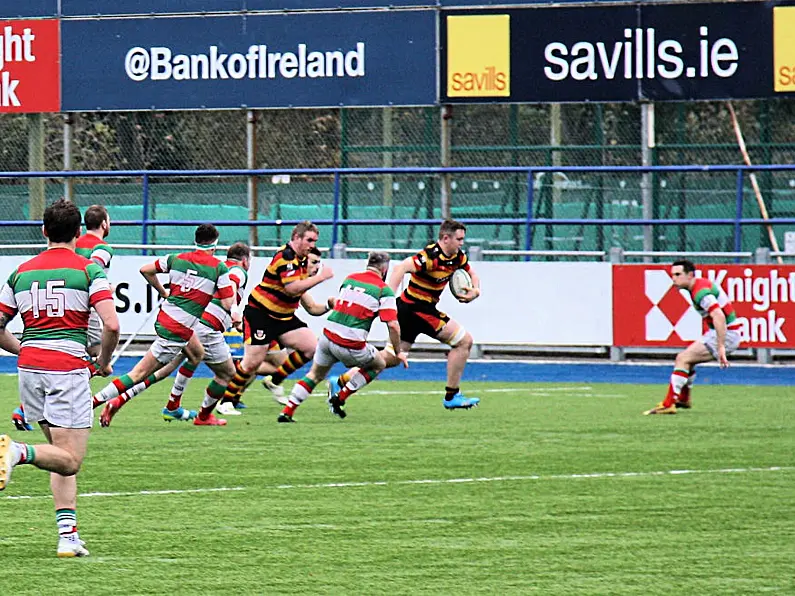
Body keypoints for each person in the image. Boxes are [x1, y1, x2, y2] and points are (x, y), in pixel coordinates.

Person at [0, 198, 120, 558]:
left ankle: (68, 536)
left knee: (58, 454)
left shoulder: (20, 272)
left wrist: (25, 349)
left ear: (43, 231)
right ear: (78, 233)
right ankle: (17, 452)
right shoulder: (87, 271)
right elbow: (111, 323)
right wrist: (103, 360)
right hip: (66, 370)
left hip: (30, 370)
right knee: (70, 459)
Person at [328, 219, 481, 410]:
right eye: (459, 239)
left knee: (390, 358)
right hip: (417, 309)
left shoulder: (458, 256)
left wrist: (475, 290)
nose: (461, 243)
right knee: (464, 341)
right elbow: (401, 267)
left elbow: (472, 273)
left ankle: (342, 381)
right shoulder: (429, 256)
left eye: (463, 239)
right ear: (445, 238)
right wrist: (387, 297)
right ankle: (452, 396)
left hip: (415, 310)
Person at [92, 224, 235, 427]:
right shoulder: (218, 267)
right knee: (139, 373)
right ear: (215, 244)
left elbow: (145, 270)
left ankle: (173, 405)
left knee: (196, 354)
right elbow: (228, 303)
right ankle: (93, 403)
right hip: (176, 330)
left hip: (167, 318)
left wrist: (163, 291)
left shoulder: (175, 258)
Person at [11, 204, 114, 432]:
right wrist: (103, 287)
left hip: (43, 329)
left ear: (45, 231)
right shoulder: (102, 248)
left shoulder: (22, 272)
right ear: (104, 224)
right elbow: (95, 265)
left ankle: (27, 409)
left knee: (71, 360)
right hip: (84, 306)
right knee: (95, 359)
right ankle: (25, 413)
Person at [278, 252, 408, 422]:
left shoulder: (350, 278)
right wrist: (398, 352)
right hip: (351, 344)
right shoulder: (384, 290)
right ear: (385, 269)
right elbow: (392, 325)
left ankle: (287, 411)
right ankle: (340, 397)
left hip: (327, 337)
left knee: (315, 375)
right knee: (379, 364)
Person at [220, 222, 334, 409]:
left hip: (283, 318)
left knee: (312, 347)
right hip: (261, 315)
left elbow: (311, 307)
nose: (312, 244)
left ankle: (274, 380)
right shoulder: (286, 257)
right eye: (309, 240)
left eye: (315, 241)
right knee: (252, 363)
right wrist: (321, 277)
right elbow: (291, 289)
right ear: (296, 238)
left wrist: (329, 305)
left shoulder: (301, 261)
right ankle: (226, 401)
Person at [644, 259, 742, 415]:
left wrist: (721, 346)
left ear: (690, 275)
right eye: (672, 275)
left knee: (682, 359)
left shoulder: (700, 292)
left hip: (727, 334)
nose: (674, 279)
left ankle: (669, 404)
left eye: (678, 274)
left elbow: (719, 315)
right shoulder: (698, 286)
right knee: (688, 360)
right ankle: (683, 399)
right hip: (723, 333)